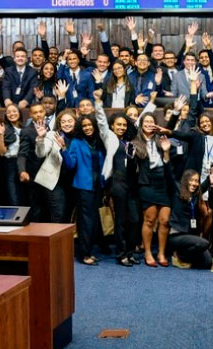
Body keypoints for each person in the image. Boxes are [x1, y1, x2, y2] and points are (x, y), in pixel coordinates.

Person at [95, 91, 146, 266]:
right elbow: (101, 123)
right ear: (113, 126)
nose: (122, 128)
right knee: (121, 221)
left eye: (124, 125)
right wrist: (98, 103)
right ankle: (121, 254)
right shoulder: (110, 139)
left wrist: (151, 103)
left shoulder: (129, 141)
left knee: (134, 219)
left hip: (132, 184)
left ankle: (130, 252)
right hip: (117, 184)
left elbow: (138, 123)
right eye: (119, 125)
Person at [60, 114, 106, 266]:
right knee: (85, 221)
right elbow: (71, 164)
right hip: (82, 187)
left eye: (89, 125)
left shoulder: (99, 142)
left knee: (92, 221)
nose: (87, 128)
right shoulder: (76, 142)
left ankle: (89, 250)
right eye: (84, 126)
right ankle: (84, 254)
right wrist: (64, 149)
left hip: (97, 186)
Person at [132, 110, 173, 267]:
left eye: (151, 122)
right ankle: (148, 252)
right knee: (149, 219)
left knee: (165, 220)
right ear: (141, 125)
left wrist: (166, 150)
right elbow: (141, 158)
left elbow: (167, 164)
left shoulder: (161, 140)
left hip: (163, 185)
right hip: (146, 184)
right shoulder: (136, 142)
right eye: (145, 122)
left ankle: (161, 253)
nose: (148, 124)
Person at [166, 170, 213, 269]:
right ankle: (179, 256)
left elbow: (202, 187)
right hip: (176, 235)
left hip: (189, 236)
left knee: (208, 262)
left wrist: (209, 180)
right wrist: (166, 160)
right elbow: (169, 175)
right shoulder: (177, 189)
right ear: (185, 180)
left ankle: (187, 258)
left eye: (196, 181)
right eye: (191, 180)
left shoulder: (194, 195)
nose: (194, 183)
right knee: (204, 243)